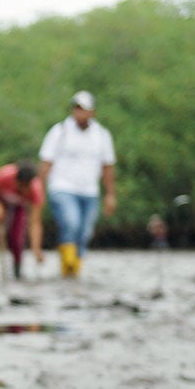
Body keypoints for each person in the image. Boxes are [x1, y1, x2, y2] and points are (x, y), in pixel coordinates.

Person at [36, 90, 117, 278]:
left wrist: (110, 194)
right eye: (77, 108)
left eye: (84, 109)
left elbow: (107, 167)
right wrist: (39, 190)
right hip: (62, 187)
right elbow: (46, 163)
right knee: (70, 223)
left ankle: (73, 270)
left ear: (92, 112)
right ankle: (68, 265)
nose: (79, 113)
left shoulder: (102, 135)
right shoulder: (60, 131)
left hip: (90, 191)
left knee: (85, 232)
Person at [0, 161, 44, 280]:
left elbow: (35, 222)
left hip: (17, 207)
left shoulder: (35, 191)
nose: (24, 189)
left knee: (17, 240)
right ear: (16, 180)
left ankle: (17, 274)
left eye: (27, 186)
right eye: (21, 185)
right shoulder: (4, 176)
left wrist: (36, 248)